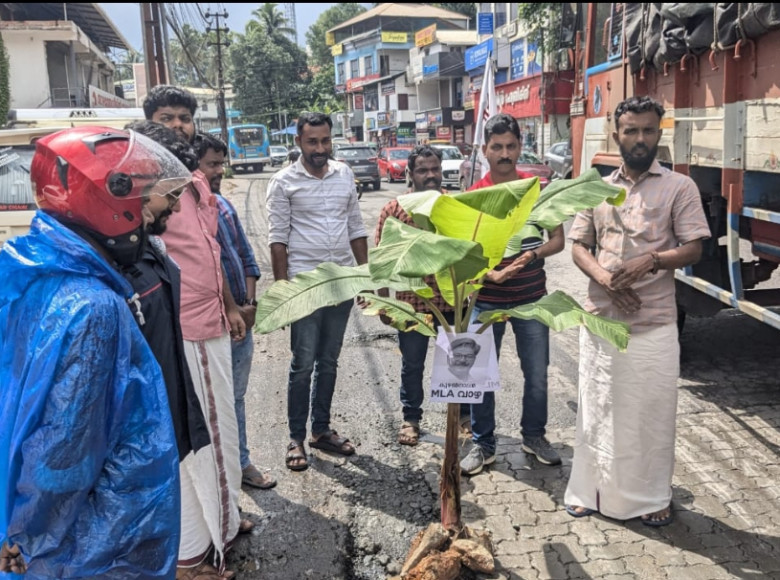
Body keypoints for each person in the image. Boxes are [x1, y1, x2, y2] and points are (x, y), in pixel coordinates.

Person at [0, 126, 186, 577]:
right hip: (96, 542)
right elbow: (62, 459)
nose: (146, 218)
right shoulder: (95, 308)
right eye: (140, 204)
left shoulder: (33, 268)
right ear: (108, 206)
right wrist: (26, 536)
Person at [564, 96, 710, 526]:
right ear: (617, 135)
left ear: (659, 133)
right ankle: (588, 491)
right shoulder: (596, 188)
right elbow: (577, 245)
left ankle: (652, 497)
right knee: (597, 408)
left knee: (651, 414)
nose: (640, 138)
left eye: (648, 130)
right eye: (631, 130)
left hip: (653, 323)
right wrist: (608, 280)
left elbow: (695, 248)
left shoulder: (679, 187)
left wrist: (651, 262)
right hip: (601, 319)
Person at [143, 85, 249, 576]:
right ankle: (192, 555)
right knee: (195, 440)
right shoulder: (147, 185)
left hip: (210, 322)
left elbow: (211, 253)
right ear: (149, 121)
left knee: (221, 426)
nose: (179, 126)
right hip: (181, 328)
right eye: (168, 117)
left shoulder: (192, 180)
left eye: (185, 117)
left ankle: (223, 520)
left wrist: (230, 305)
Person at [461, 113, 566, 476]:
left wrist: (530, 255)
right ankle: (483, 444)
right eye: (497, 147)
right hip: (486, 298)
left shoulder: (536, 190)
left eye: (510, 146)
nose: (504, 154)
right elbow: (463, 251)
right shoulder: (475, 196)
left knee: (536, 373)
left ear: (520, 147)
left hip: (532, 297)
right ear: (485, 150)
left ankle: (533, 436)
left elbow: (558, 239)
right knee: (480, 375)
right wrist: (491, 271)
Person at [267, 111, 368, 471]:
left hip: (340, 283)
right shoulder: (283, 182)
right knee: (302, 364)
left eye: (325, 140)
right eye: (312, 141)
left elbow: (356, 227)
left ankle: (321, 430)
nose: (320, 148)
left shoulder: (344, 174)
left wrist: (364, 278)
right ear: (299, 142)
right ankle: (296, 437)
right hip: (305, 287)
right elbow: (278, 238)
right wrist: (283, 295)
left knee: (329, 361)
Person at [194, 131, 277, 491]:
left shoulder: (223, 207)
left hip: (240, 322)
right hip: (206, 326)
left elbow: (247, 257)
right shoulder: (185, 215)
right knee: (209, 404)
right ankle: (219, 474)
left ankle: (240, 462)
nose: (219, 171)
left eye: (221, 164)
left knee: (236, 398)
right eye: (212, 164)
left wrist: (250, 305)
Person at [374, 144, 468, 446]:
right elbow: (382, 259)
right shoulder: (394, 209)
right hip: (412, 303)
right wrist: (383, 301)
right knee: (412, 364)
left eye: (435, 169)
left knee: (458, 362)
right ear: (410, 174)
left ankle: (463, 417)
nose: (430, 175)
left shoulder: (453, 206)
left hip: (451, 302)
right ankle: (411, 418)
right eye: (423, 170)